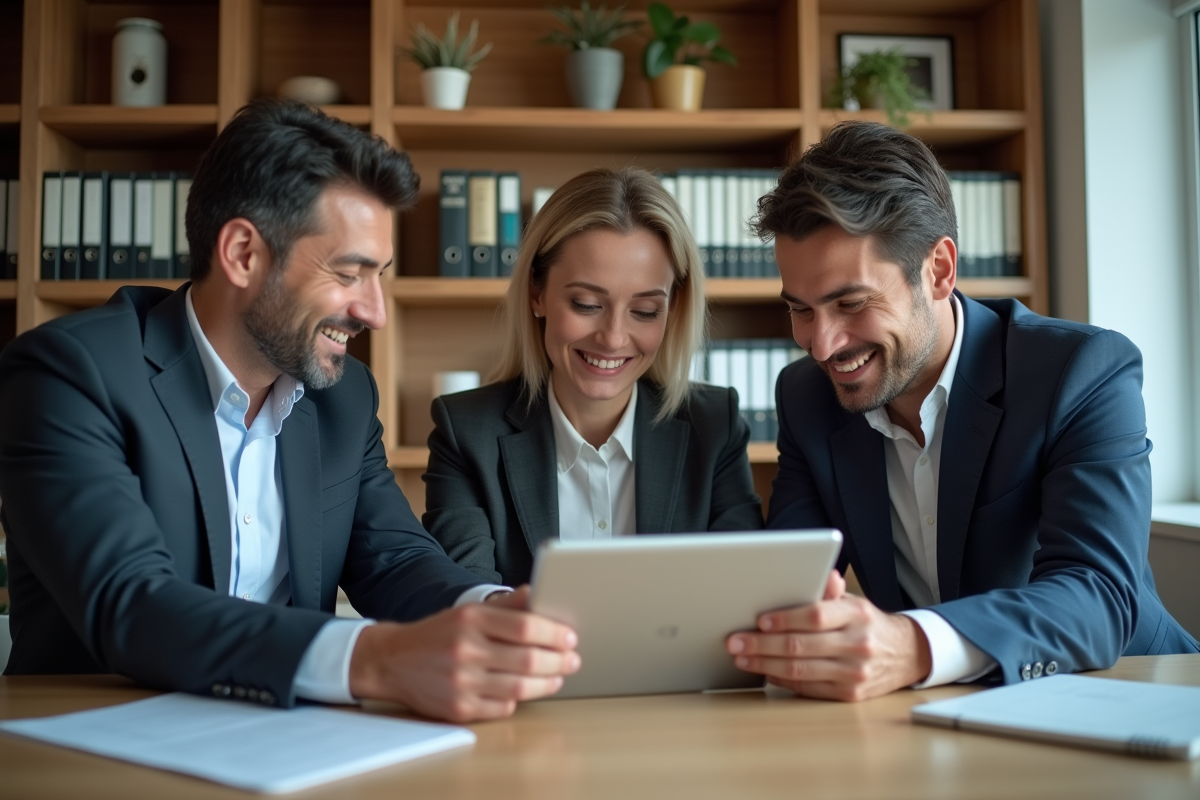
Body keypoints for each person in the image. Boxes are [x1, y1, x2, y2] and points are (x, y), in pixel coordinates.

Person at [0, 100, 580, 723]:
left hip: (288, 745)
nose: (374, 312)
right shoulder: (68, 374)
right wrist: (374, 659)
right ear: (244, 253)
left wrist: (498, 613)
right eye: (350, 273)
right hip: (96, 743)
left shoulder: (343, 396)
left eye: (380, 276)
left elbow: (397, 559)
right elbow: (130, 604)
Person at [724, 121, 1199, 701]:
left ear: (939, 271)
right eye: (800, 309)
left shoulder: (1080, 371)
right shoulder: (806, 397)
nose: (822, 345)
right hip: (943, 713)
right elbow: (788, 588)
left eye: (851, 303)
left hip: (1133, 694)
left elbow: (1099, 596)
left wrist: (912, 646)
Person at [423, 167, 763, 586]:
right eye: (586, 304)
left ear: (673, 310)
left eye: (645, 311)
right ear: (537, 293)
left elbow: (738, 592)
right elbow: (467, 596)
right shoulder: (466, 433)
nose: (613, 338)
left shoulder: (715, 426)